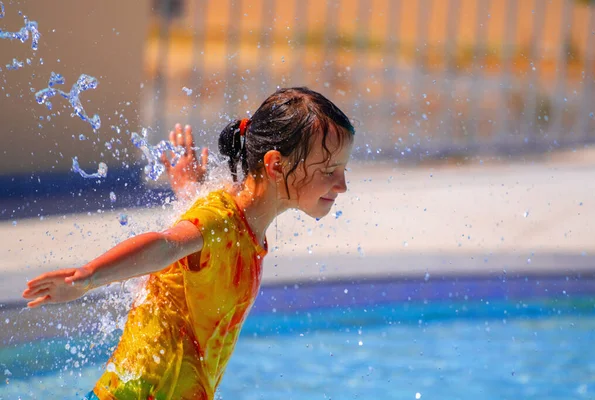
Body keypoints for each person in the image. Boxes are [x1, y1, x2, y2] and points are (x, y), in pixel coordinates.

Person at [22, 87, 355, 400]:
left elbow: (198, 240)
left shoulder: (234, 219)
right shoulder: (222, 219)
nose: (341, 185)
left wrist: (189, 192)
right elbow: (167, 246)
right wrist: (87, 277)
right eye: (328, 169)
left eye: (342, 169)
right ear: (276, 165)